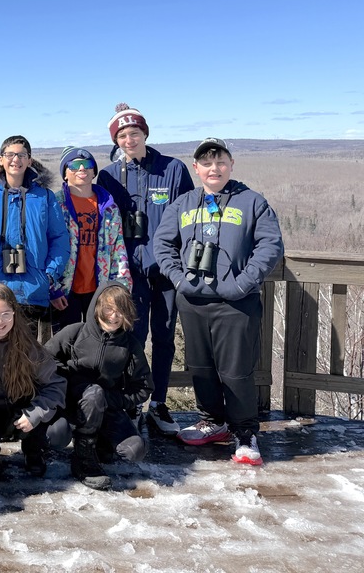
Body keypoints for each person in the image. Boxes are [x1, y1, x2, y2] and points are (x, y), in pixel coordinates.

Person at [154, 138, 284, 466]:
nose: (215, 169)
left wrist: (243, 283)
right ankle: (213, 422)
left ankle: (244, 433)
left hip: (237, 303)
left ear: (231, 164)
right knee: (200, 367)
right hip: (193, 301)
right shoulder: (183, 204)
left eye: (221, 162)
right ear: (196, 168)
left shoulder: (252, 202)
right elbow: (162, 242)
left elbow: (270, 244)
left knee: (236, 371)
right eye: (207, 163)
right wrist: (179, 278)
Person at [96, 103, 194, 435]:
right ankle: (134, 402)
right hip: (130, 273)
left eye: (134, 132)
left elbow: (190, 217)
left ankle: (159, 403)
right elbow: (104, 225)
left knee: (165, 338)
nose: (129, 139)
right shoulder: (109, 176)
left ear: (145, 133)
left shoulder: (173, 169)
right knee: (134, 337)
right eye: (122, 135)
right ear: (116, 140)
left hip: (167, 271)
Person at [46, 281, 152, 490]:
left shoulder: (130, 346)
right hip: (70, 404)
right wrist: (65, 383)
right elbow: (44, 360)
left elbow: (144, 387)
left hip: (106, 407)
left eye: (120, 311)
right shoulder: (74, 332)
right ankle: (83, 458)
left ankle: (98, 441)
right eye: (108, 309)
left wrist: (113, 399)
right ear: (97, 307)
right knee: (54, 437)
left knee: (134, 451)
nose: (113, 316)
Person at [0, 135, 70, 339]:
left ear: (29, 160)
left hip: (33, 291)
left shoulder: (44, 197)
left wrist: (48, 275)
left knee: (27, 359)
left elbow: (59, 239)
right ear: (1, 160)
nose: (16, 159)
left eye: (22, 155)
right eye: (10, 154)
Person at [0, 283, 66, 480]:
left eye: (5, 313)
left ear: (14, 312)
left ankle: (33, 449)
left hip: (21, 412)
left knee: (59, 431)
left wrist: (35, 413)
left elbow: (55, 385)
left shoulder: (27, 344)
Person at [53, 147, 132, 334]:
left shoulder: (108, 206)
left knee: (99, 342)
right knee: (66, 343)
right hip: (65, 290)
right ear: (65, 173)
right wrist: (53, 289)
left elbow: (118, 249)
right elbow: (46, 248)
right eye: (74, 165)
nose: (82, 169)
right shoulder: (55, 204)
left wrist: (119, 289)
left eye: (87, 165)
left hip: (99, 289)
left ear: (94, 171)